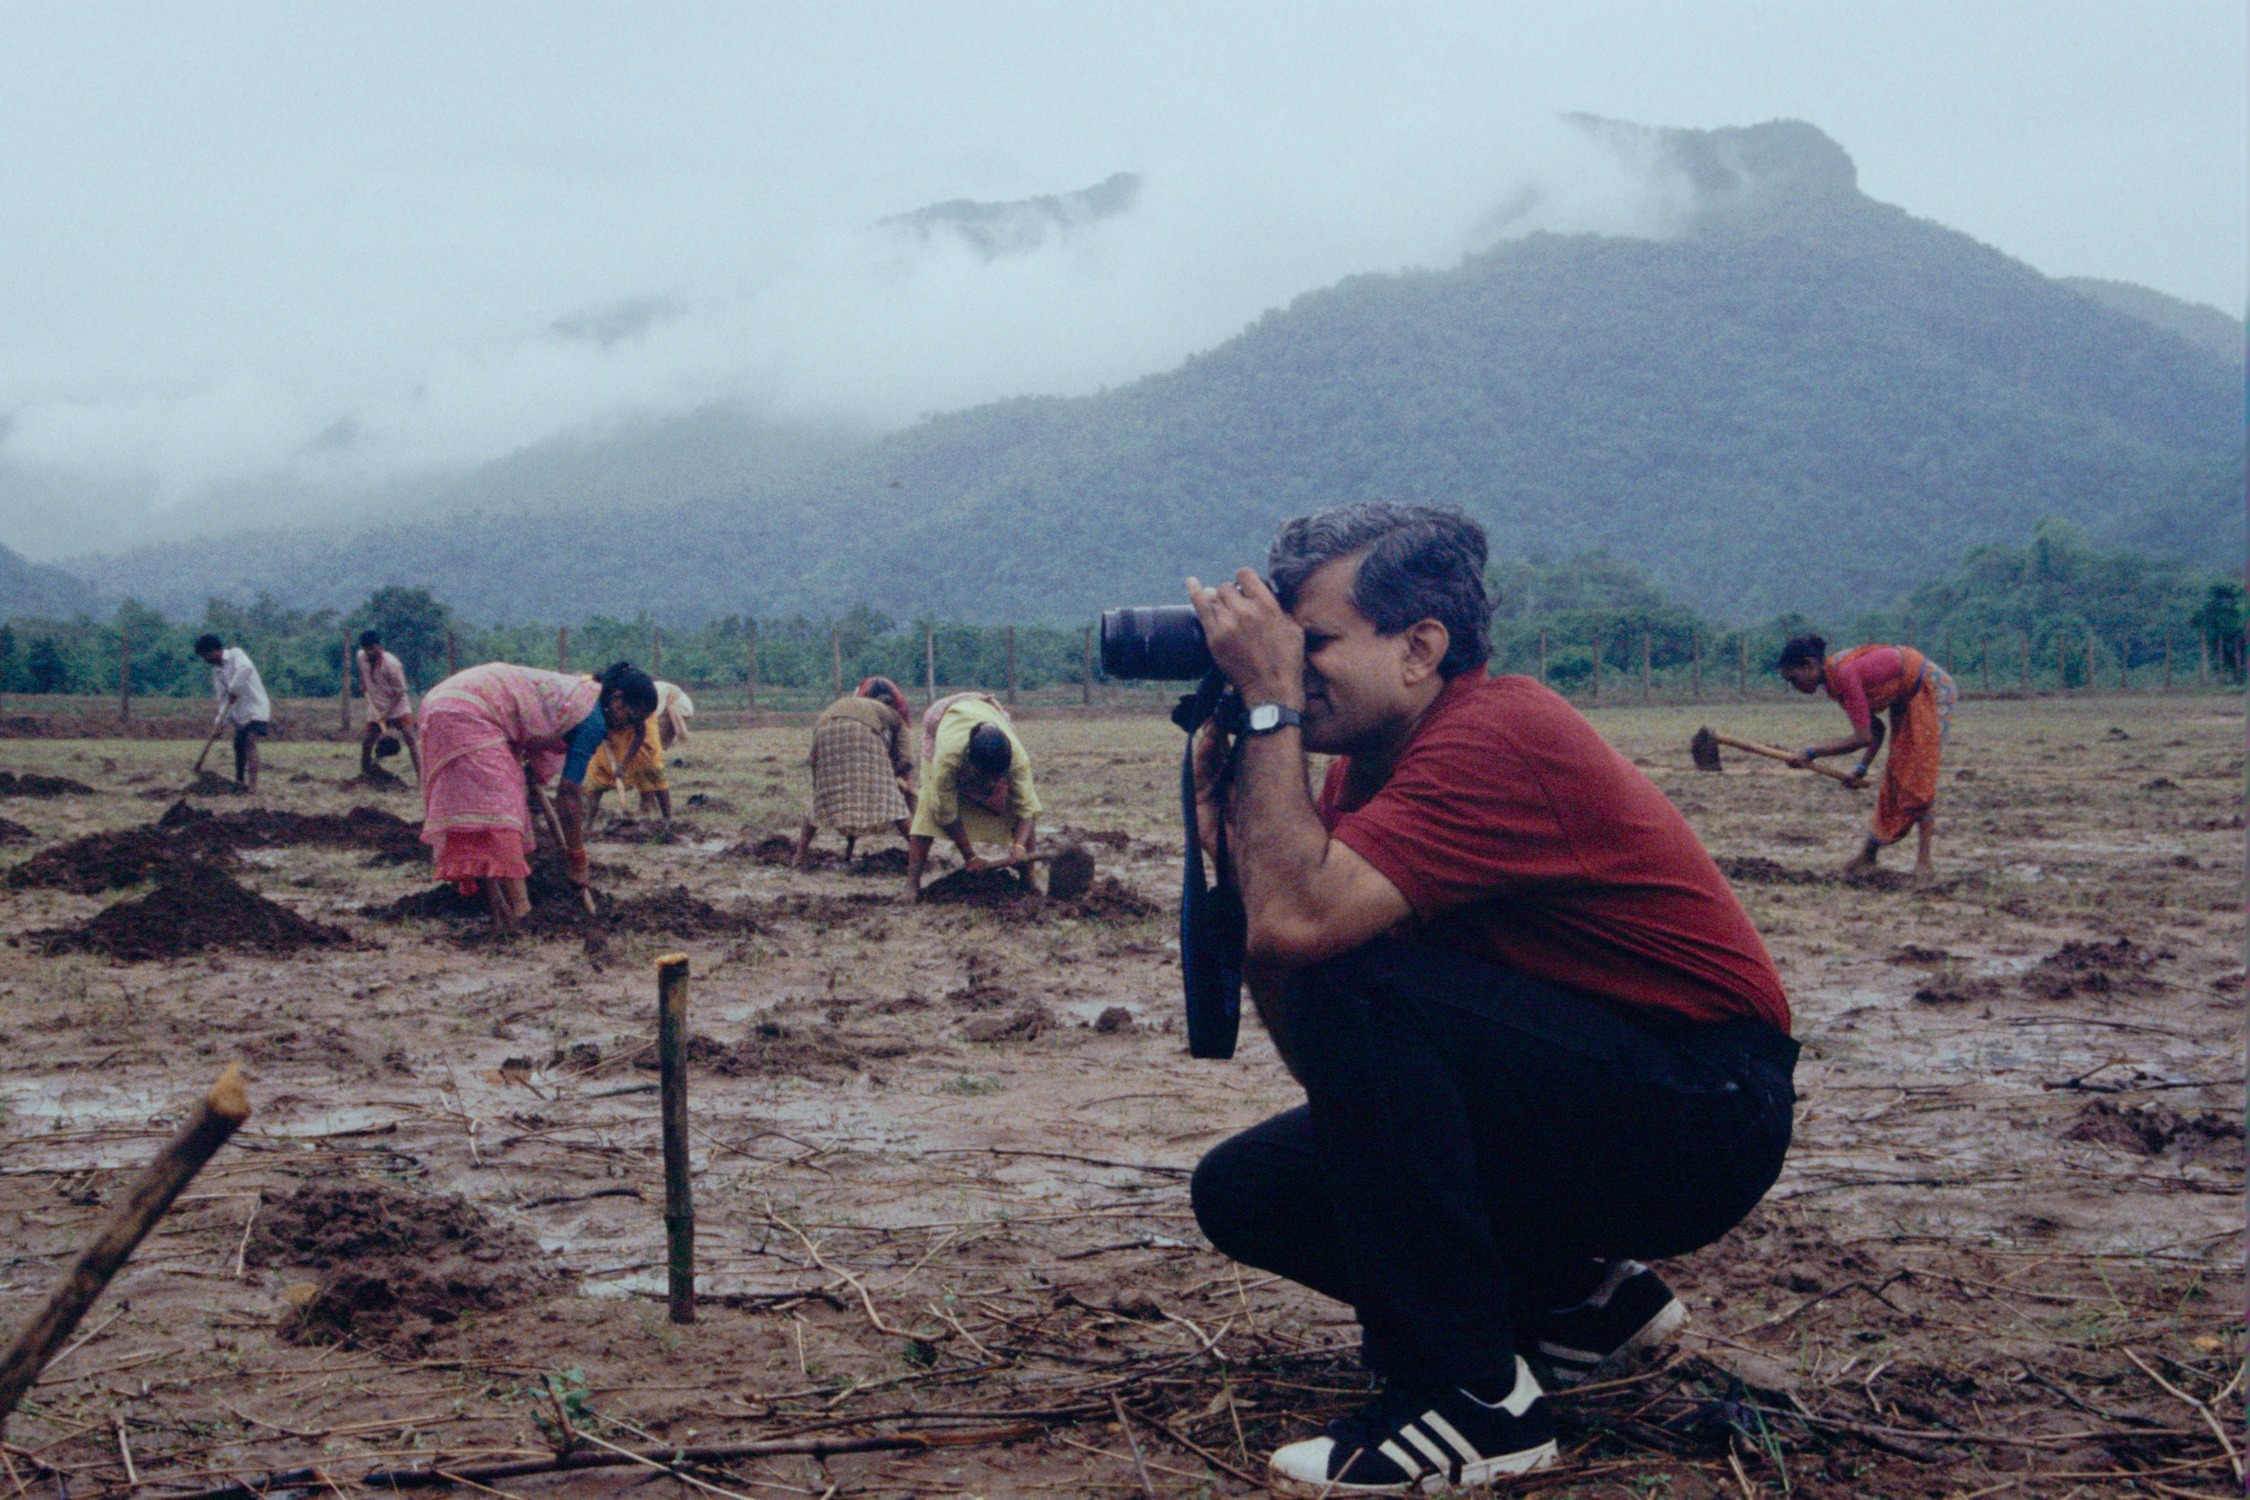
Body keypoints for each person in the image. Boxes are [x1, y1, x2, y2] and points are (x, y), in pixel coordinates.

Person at [1180, 503, 1795, 1496]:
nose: (1287, 667)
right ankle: (1578, 1308)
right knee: (1247, 1192)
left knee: (1360, 965)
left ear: (1421, 646)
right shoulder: (1350, 784)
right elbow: (1338, 1060)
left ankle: (1467, 1399)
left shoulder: (1497, 732)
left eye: (1312, 644)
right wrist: (1236, 846)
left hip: (1708, 1114)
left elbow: (1317, 944)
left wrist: (1265, 711)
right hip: (1596, 1099)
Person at [417, 659, 659, 932]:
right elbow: (568, 794)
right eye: (630, 718)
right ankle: (522, 915)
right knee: (501, 812)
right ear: (616, 700)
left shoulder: (581, 696)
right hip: (467, 711)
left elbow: (539, 728)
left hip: (446, 702)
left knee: (484, 811)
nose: (626, 728)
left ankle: (501, 912)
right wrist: (577, 859)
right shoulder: (593, 719)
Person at [1778, 635, 1957, 877]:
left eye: (1793, 678)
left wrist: (1811, 752)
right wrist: (1861, 768)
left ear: (1810, 665)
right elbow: (1875, 730)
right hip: (1905, 699)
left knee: (1918, 777)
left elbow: (1862, 738)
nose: (1794, 686)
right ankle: (1868, 856)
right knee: (1895, 776)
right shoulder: (1834, 683)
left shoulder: (1843, 674)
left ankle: (1924, 863)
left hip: (1929, 689)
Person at [903, 691, 1041, 900]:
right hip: (943, 718)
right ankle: (911, 886)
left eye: (997, 777)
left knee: (1016, 806)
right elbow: (945, 813)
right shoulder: (949, 758)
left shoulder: (1017, 758)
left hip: (988, 713)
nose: (991, 784)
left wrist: (1019, 846)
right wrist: (970, 856)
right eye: (984, 776)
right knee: (928, 809)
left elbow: (1027, 808)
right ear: (970, 763)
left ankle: (1028, 880)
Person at [795, 677, 916, 868]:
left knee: (822, 799)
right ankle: (919, 856)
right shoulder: (894, 715)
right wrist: (897, 779)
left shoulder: (854, 701)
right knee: (893, 802)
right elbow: (907, 759)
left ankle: (799, 856)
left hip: (823, 731)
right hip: (860, 734)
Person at [584, 678, 695, 825]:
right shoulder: (593, 699)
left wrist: (623, 764)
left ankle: (666, 819)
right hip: (609, 732)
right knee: (598, 771)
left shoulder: (640, 704)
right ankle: (588, 823)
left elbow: (640, 734)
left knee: (650, 765)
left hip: (638, 727)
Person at [194, 634, 272, 795]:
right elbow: (223, 701)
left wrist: (234, 689)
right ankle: (239, 782)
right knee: (238, 745)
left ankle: (253, 787)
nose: (205, 660)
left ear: (213, 651)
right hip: (239, 713)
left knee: (250, 741)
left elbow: (246, 669)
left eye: (205, 656)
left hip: (256, 708)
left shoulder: (236, 654)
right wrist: (219, 725)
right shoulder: (217, 672)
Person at [355, 631, 421, 782]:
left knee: (410, 738)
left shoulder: (392, 664)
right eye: (366, 649)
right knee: (367, 742)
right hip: (376, 705)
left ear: (379, 646)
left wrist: (387, 713)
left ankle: (421, 780)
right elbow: (361, 670)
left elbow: (400, 691)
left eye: (371, 649)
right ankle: (365, 777)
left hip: (397, 706)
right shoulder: (361, 656)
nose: (368, 653)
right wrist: (362, 681)